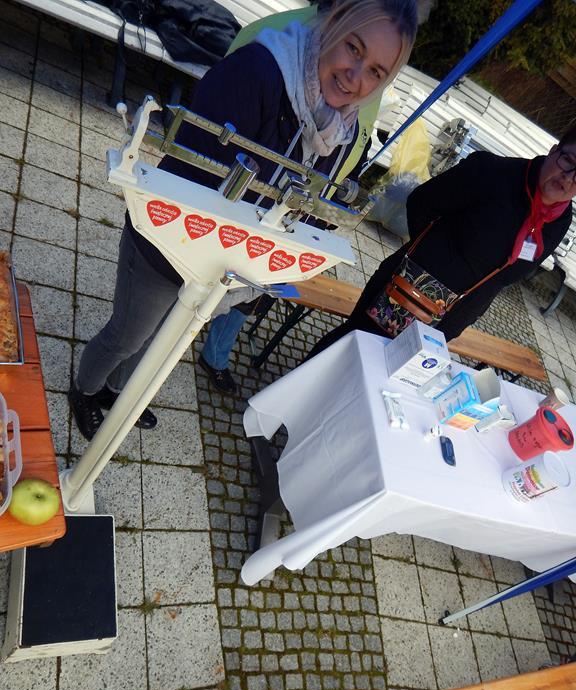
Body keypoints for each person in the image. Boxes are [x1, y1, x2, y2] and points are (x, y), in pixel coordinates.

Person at [68, 0, 418, 439]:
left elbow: (304, 203)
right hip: (168, 242)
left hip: (221, 262)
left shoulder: (341, 130)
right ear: (331, 25)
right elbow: (194, 171)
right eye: (354, 48)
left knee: (159, 339)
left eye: (376, 71)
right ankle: (85, 389)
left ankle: (118, 392)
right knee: (128, 336)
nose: (356, 76)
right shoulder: (257, 71)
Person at [310, 124, 576, 357]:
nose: (569, 178)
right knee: (349, 346)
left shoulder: (561, 220)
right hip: (404, 289)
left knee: (386, 373)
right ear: (554, 151)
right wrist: (432, 260)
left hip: (449, 320)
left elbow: (508, 275)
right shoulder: (492, 172)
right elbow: (421, 203)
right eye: (568, 161)